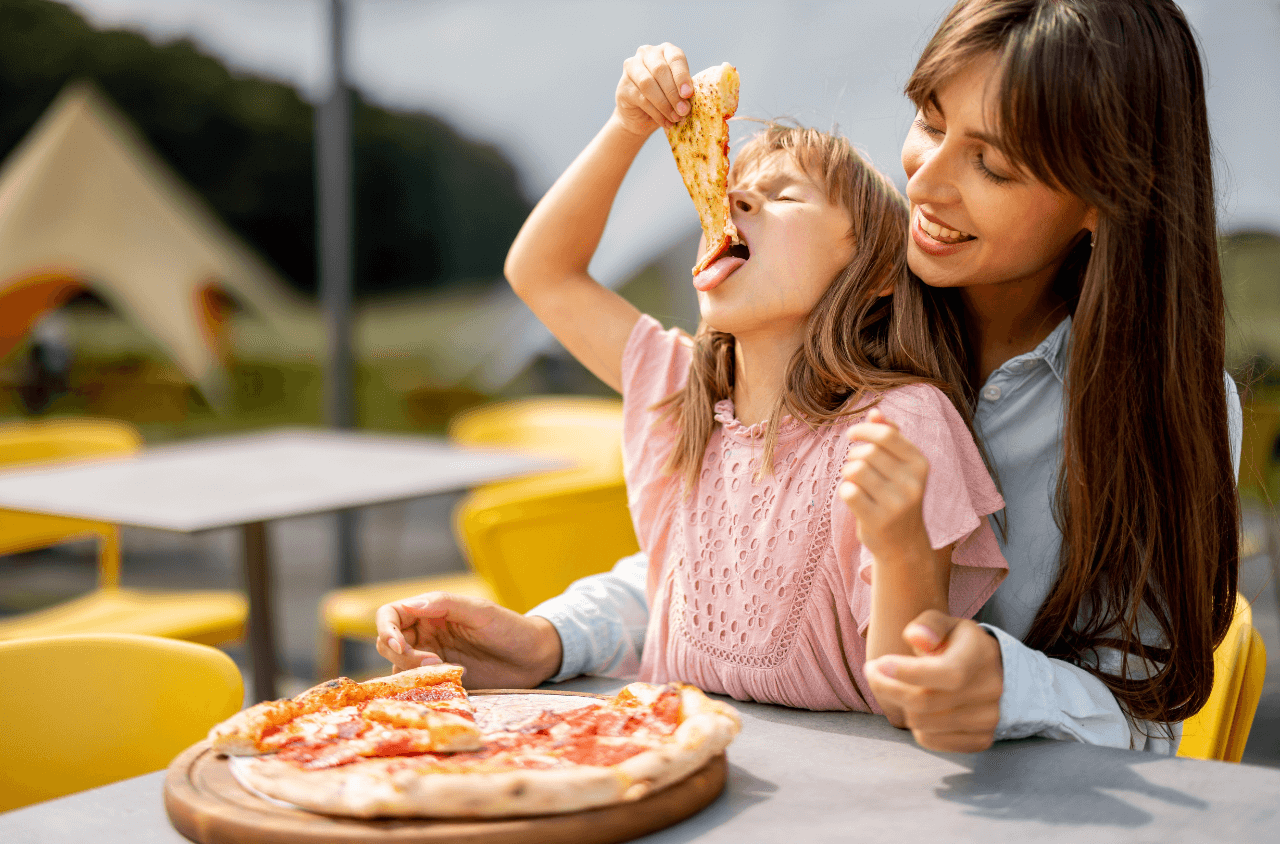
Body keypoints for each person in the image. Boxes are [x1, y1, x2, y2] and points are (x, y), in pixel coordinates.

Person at [381, 0, 1242, 752]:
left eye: (993, 163)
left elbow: (1145, 719)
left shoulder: (1158, 411)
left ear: (1103, 200)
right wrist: (551, 637)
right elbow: (739, 572)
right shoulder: (822, 331)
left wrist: (1007, 688)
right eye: (931, 122)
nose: (927, 185)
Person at [379, 44, 1011, 719]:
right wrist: (630, 125)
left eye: (780, 195)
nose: (730, 196)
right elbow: (542, 271)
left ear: (877, 271)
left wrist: (904, 549)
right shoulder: (685, 394)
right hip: (667, 762)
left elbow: (908, 696)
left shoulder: (900, 424)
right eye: (729, 188)